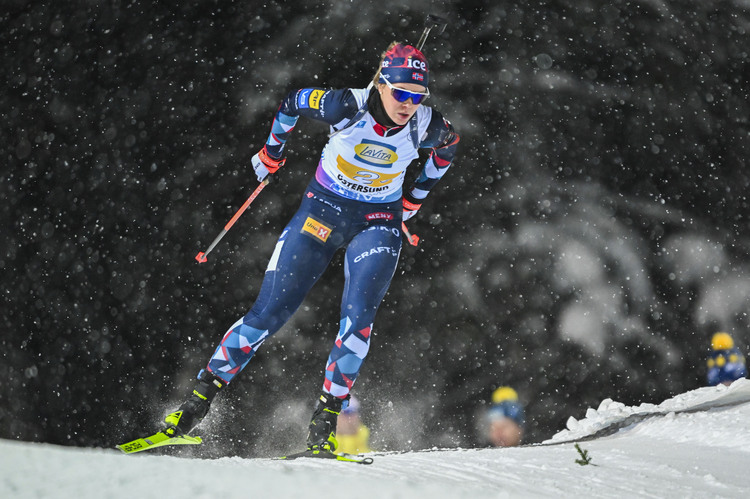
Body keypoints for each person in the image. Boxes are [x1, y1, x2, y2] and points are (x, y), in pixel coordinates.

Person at [161, 42, 459, 454]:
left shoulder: (426, 124)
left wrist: (414, 200)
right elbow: (291, 102)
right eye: (401, 94)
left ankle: (324, 429)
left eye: (417, 96)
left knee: (358, 321)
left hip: (377, 222)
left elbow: (449, 147)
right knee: (268, 312)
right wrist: (271, 152)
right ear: (381, 84)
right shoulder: (344, 106)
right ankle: (193, 406)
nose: (408, 104)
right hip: (322, 212)